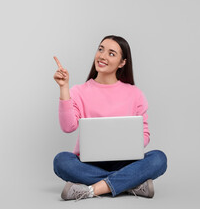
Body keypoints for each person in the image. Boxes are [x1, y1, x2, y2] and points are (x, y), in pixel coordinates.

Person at [53, 35, 167, 201]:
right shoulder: (79, 91)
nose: (103, 56)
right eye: (101, 49)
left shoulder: (135, 94)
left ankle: (92, 190)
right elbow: (67, 126)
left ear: (122, 63)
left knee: (159, 158)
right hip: (88, 164)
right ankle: (130, 184)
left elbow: (145, 135)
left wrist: (126, 143)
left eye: (111, 53)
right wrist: (64, 88)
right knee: (61, 161)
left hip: (126, 162)